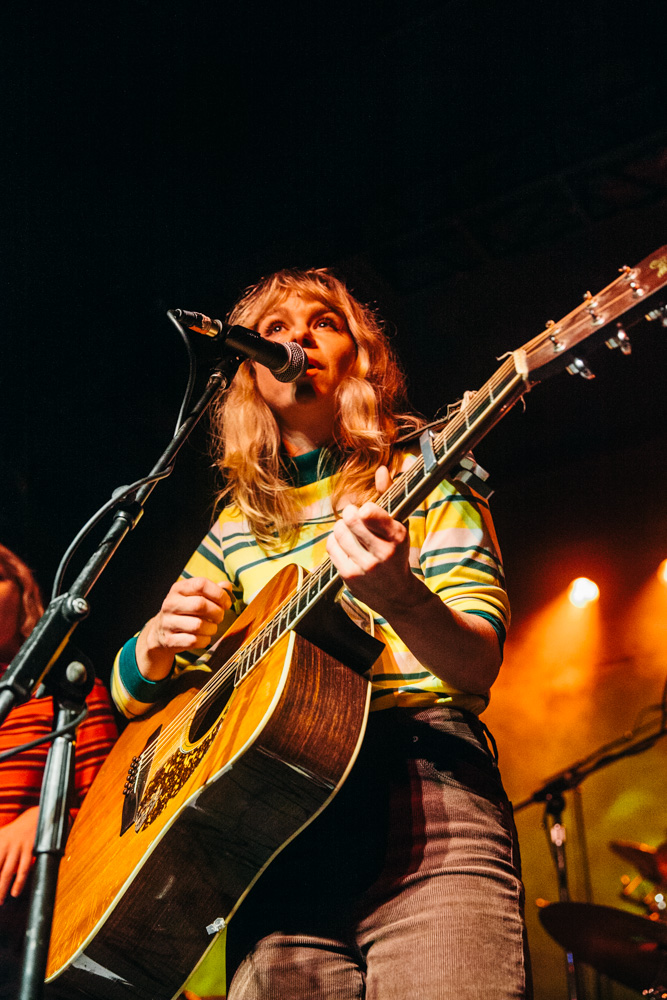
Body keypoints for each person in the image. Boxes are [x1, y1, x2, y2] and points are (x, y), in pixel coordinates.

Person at [112, 268, 532, 999]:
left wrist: (402, 596)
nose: (295, 338)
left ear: (358, 359)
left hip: (424, 799)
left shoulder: (427, 477)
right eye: (273, 329)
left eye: (322, 323)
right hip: (272, 840)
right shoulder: (237, 527)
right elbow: (131, 701)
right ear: (247, 372)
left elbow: (475, 665)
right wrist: (149, 649)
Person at [0, 544, 118, 997]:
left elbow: (111, 814)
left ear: (25, 593)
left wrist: (46, 820)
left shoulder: (66, 695)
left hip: (36, 953)